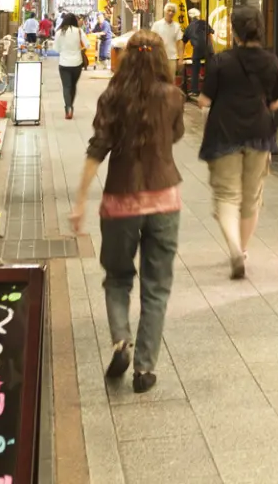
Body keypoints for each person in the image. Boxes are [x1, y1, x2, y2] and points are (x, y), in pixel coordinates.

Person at [70, 29, 184, 395]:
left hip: (120, 201)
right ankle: (145, 369)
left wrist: (79, 202)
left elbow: (96, 149)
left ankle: (121, 340)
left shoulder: (113, 96)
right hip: (164, 200)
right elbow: (176, 135)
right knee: (156, 288)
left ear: (127, 58)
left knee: (118, 278)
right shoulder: (173, 97)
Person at [197, 3, 278, 279]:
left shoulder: (221, 61)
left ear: (234, 32)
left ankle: (233, 247)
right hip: (259, 133)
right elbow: (274, 104)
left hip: (224, 132)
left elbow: (204, 100)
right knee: (251, 197)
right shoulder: (272, 62)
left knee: (226, 195)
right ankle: (242, 250)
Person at [55, 12, 88, 119]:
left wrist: (64, 51)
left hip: (64, 63)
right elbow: (87, 44)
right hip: (77, 63)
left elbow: (56, 49)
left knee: (66, 86)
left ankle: (68, 108)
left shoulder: (59, 32)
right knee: (73, 85)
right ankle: (71, 106)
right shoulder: (79, 31)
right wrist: (79, 49)